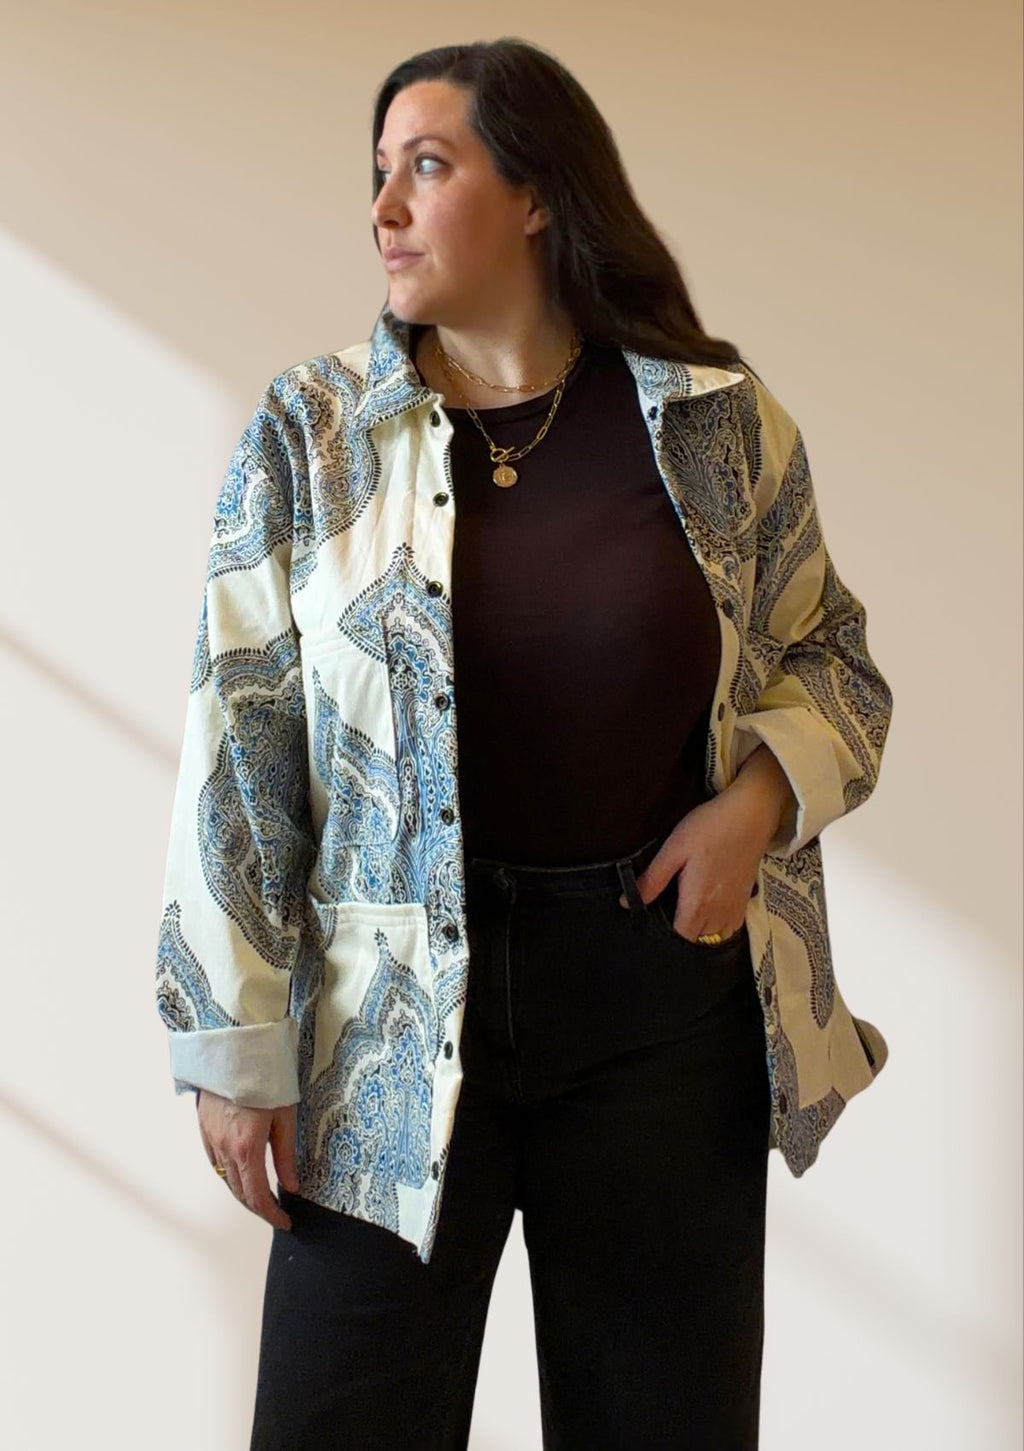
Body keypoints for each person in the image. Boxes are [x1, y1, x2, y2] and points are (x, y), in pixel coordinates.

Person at [155, 37, 894, 1451]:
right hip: (380, 1019)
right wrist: (236, 1043)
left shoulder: (717, 426)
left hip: (657, 1013)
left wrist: (754, 804)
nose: (382, 209)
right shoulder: (311, 439)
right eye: (376, 174)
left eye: (425, 167)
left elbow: (835, 662)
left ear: (542, 192)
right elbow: (237, 739)